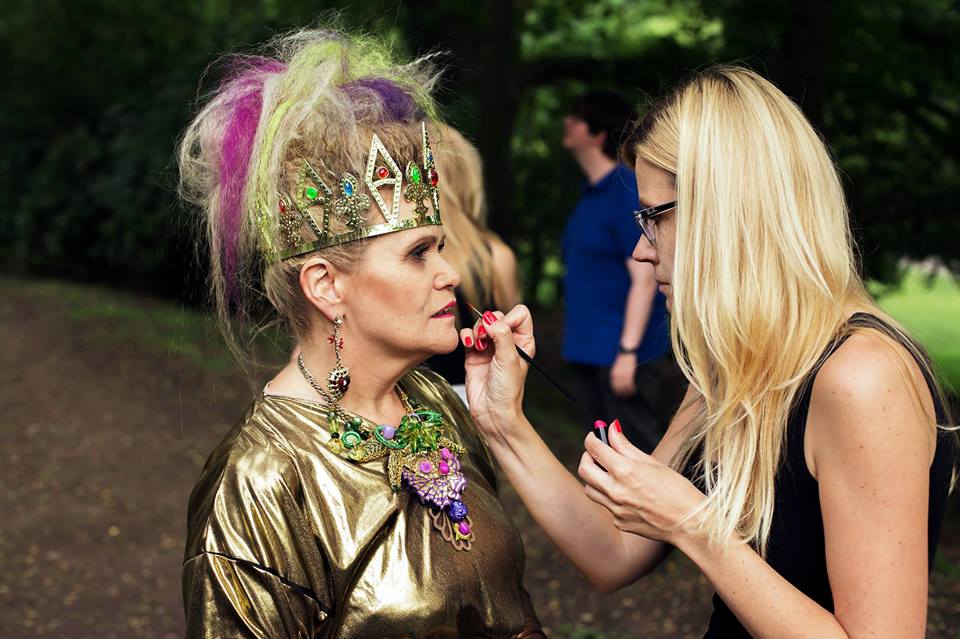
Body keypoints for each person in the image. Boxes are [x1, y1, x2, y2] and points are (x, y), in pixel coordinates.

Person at [460, 66, 958, 638]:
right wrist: (502, 422)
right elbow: (614, 553)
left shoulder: (864, 378)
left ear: (728, 211)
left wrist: (694, 524)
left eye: (654, 218)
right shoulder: (732, 367)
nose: (641, 251)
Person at [177, 29, 543, 638]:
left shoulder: (437, 406)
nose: (450, 274)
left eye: (441, 248)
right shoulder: (261, 480)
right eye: (418, 253)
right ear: (326, 286)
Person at [561, 90, 674, 452]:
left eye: (577, 117)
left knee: (636, 453)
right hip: (589, 350)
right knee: (601, 454)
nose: (567, 122)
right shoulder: (589, 194)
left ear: (597, 133)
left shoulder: (625, 189)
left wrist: (627, 352)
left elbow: (643, 277)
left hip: (622, 353)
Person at [424, 125, 521, 401]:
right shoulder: (496, 256)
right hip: (470, 397)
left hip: (475, 399)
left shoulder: (407, 257)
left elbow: (509, 343)